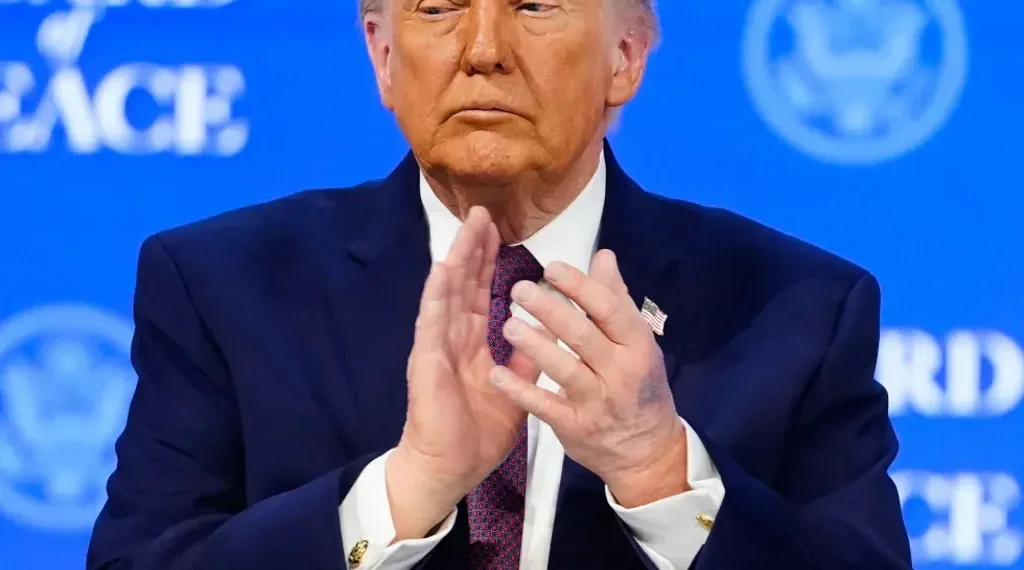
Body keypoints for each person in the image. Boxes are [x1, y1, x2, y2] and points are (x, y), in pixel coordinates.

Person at [87, 0, 912, 569]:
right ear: (382, 55)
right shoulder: (223, 288)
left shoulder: (796, 310)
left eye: (535, 5)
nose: (482, 48)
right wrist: (403, 490)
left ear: (624, 56)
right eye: (439, 8)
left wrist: (662, 472)